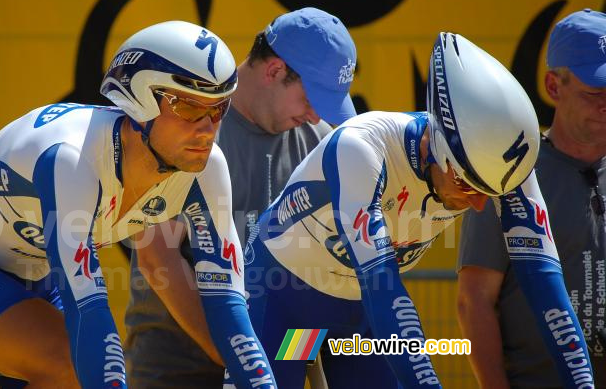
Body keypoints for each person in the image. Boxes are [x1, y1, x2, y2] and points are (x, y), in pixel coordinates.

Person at [0, 20, 277, 388]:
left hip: (33, 272)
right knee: (73, 362)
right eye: (189, 107)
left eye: (218, 109)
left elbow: (229, 310)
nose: (208, 129)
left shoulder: (207, 167)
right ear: (140, 102)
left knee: (80, 363)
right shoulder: (71, 159)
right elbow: (88, 306)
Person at [237, 31, 595, 388]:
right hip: (286, 305)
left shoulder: (505, 163)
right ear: (437, 149)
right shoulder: (361, 148)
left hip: (359, 312)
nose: (478, 203)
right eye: (467, 185)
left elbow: (546, 286)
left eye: (491, 192)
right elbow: (383, 285)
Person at [125, 7, 357, 388]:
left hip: (267, 367)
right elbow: (157, 257)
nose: (316, 116)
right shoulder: (192, 122)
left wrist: (286, 364)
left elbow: (319, 277)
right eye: (311, 99)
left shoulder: (319, 144)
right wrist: (238, 358)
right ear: (275, 70)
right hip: (175, 368)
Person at [457, 9, 606, 388]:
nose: (605, 104)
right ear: (553, 86)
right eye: (593, 93)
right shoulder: (510, 172)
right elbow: (474, 300)